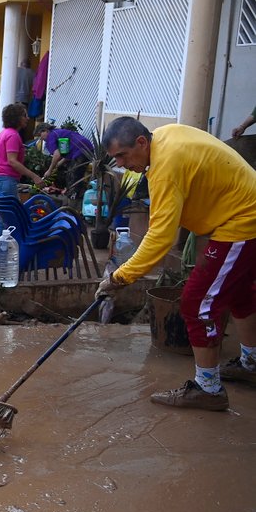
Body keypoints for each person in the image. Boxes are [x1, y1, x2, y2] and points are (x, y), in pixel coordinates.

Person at [96, 117, 256, 411]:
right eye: (115, 158)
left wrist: (119, 278)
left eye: (122, 155)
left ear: (142, 143)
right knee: (240, 293)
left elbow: (160, 239)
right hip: (241, 212)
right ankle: (251, 363)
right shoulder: (163, 138)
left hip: (243, 220)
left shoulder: (164, 168)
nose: (120, 164)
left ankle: (209, 389)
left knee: (197, 303)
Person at [0, 103, 45, 243]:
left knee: (5, 219)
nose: (27, 118)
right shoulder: (13, 136)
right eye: (24, 115)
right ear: (17, 118)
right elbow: (12, 161)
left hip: (1, 180)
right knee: (9, 220)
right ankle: (0, 254)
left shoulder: (4, 133)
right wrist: (34, 176)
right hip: (5, 180)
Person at [35, 122, 94, 199]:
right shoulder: (58, 132)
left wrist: (49, 170)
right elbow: (67, 152)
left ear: (46, 130)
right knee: (75, 175)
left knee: (73, 177)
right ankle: (76, 196)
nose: (41, 138)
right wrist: (58, 164)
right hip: (88, 148)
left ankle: (73, 201)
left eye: (40, 135)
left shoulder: (51, 136)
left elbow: (57, 154)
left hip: (81, 151)